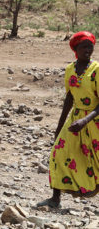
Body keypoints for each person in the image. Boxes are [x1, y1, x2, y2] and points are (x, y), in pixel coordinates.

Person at [37, 31, 99, 208]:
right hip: (75, 119)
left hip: (94, 120)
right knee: (58, 153)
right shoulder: (70, 69)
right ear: (75, 49)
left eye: (90, 46)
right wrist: (59, 127)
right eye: (84, 46)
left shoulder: (97, 70)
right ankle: (55, 198)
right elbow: (69, 98)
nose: (88, 50)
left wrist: (84, 121)